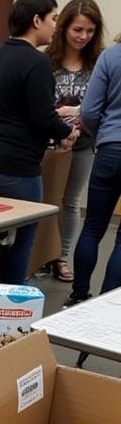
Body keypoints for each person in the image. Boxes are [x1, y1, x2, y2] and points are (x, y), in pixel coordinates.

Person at [0, 0, 76, 284]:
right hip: (15, 164)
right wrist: (67, 131)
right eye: (53, 18)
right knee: (22, 236)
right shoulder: (36, 64)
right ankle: (9, 306)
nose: (56, 26)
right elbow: (43, 118)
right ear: (36, 20)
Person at [45, 0, 105, 282]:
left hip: (83, 144)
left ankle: (62, 256)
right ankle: (42, 254)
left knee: (70, 201)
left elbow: (105, 102)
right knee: (45, 200)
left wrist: (79, 114)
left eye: (90, 31)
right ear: (64, 28)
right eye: (77, 30)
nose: (83, 36)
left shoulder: (98, 62)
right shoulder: (47, 60)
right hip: (47, 142)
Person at [69, 35, 121, 306]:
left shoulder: (110, 56)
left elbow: (88, 110)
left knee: (92, 227)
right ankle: (107, 305)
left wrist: (104, 136)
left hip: (110, 148)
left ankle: (78, 296)